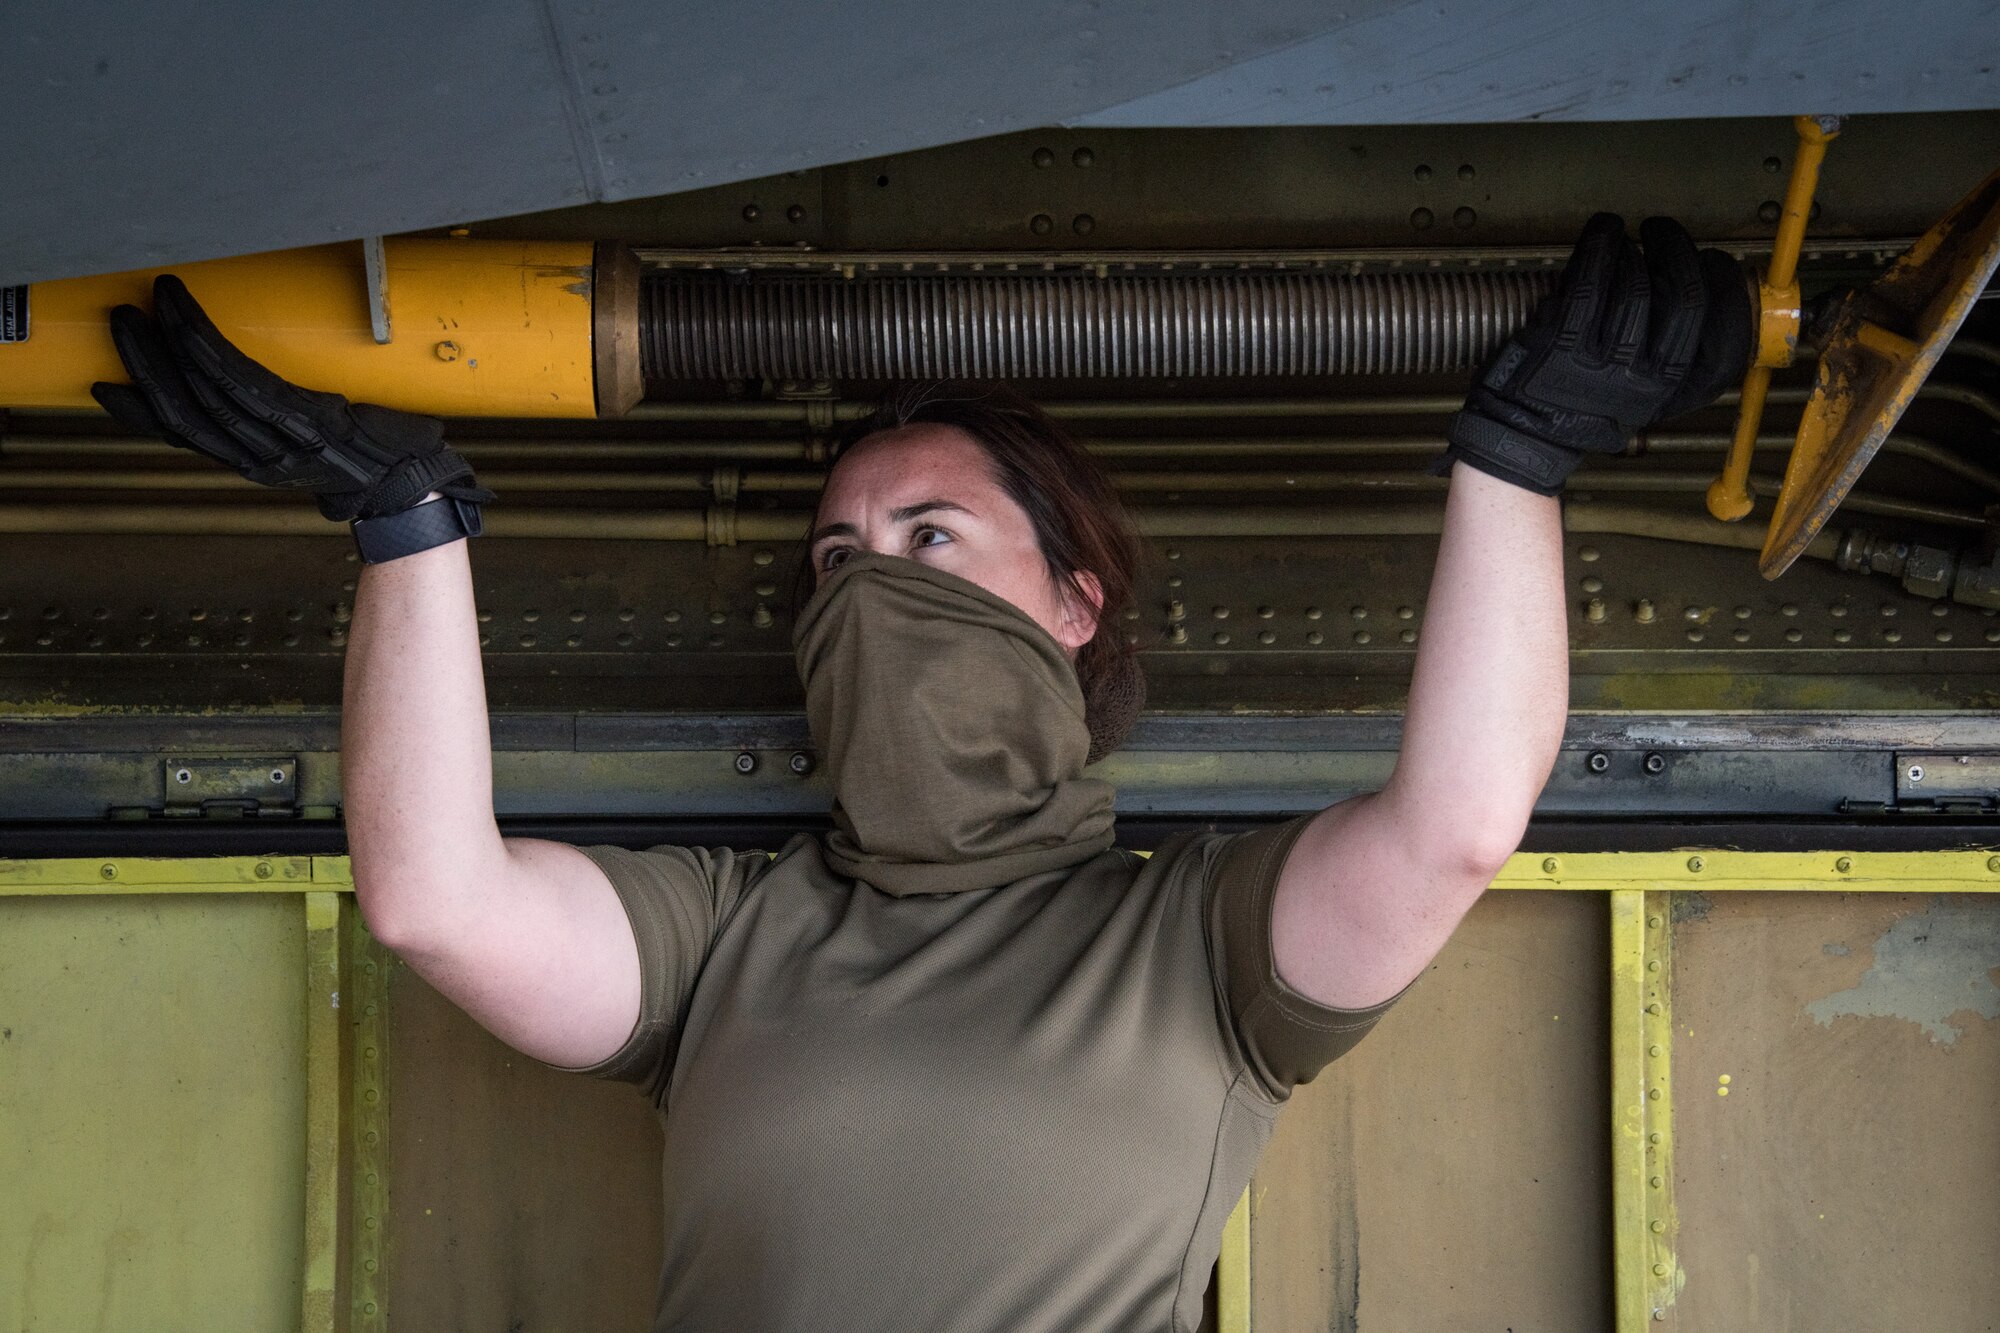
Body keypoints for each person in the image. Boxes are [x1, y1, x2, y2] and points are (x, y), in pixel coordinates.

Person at [94, 212, 1748, 1332]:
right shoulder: (726, 939)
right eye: (837, 557)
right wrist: (408, 521)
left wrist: (1515, 463)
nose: (868, 582)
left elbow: (1455, 823)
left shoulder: (1197, 947)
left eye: (930, 538)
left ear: (1073, 602)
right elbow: (436, 899)